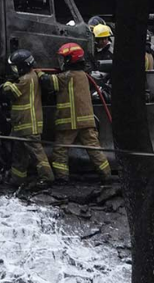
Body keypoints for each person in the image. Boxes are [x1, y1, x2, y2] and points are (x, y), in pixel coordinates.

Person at [41, 43, 112, 184]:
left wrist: (39, 73)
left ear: (70, 60)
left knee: (60, 151)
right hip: (87, 121)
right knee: (94, 150)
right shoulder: (83, 75)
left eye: (63, 59)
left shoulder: (66, 76)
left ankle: (62, 178)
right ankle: (106, 176)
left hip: (69, 121)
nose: (61, 62)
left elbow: (48, 82)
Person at [0, 49, 54, 187]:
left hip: (29, 124)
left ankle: (47, 178)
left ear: (23, 66)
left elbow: (11, 92)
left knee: (37, 153)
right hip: (21, 125)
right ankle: (17, 179)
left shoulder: (26, 79)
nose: (14, 70)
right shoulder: (31, 76)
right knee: (19, 155)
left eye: (15, 67)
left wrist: (7, 84)